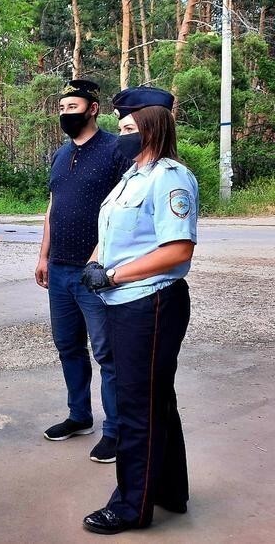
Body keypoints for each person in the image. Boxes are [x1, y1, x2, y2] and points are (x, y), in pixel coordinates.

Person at [81, 87, 198, 535]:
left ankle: (131, 506)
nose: (121, 136)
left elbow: (177, 249)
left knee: (136, 407)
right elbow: (111, 237)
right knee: (155, 399)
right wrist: (95, 263)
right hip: (126, 302)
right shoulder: (131, 176)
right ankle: (168, 490)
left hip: (150, 303)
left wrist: (113, 276)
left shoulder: (170, 177)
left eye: (129, 128)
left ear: (152, 127)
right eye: (120, 128)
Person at [35, 79, 130, 463]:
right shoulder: (60, 155)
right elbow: (52, 208)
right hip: (59, 269)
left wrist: (97, 257)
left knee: (107, 353)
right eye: (61, 108)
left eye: (72, 107)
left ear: (92, 108)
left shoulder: (114, 149)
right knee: (68, 347)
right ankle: (79, 416)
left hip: (95, 272)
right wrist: (43, 255)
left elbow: (124, 208)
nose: (65, 114)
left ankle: (115, 430)